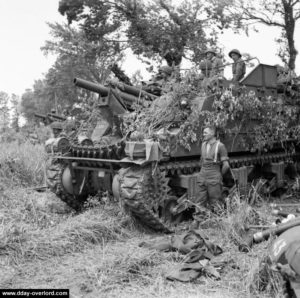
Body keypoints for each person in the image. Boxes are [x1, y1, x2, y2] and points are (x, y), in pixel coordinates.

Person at [196, 126, 230, 213]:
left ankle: (217, 221)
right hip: (202, 175)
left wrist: (218, 175)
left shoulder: (220, 146)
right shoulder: (203, 145)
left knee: (215, 201)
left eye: (205, 133)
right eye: (203, 132)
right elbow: (202, 160)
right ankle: (198, 220)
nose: (203, 135)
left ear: (212, 133)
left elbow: (226, 165)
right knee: (199, 201)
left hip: (214, 175)